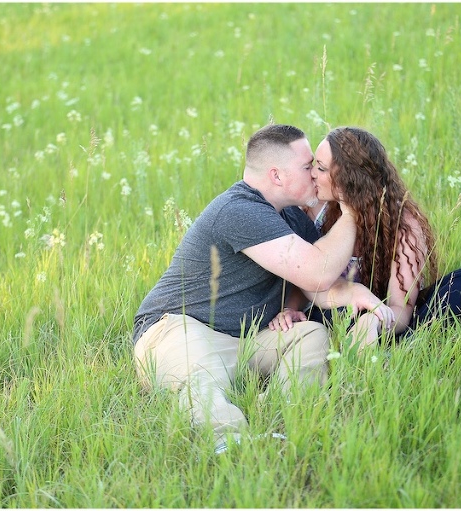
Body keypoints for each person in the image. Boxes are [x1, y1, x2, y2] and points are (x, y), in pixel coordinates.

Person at [131, 124, 393, 454]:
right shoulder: (239, 210)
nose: (314, 173)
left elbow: (315, 287)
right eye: (306, 165)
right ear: (277, 175)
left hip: (245, 340)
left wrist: (353, 294)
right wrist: (353, 210)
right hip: (176, 328)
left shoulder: (293, 219)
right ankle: (228, 441)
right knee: (199, 370)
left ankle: (284, 423)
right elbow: (316, 273)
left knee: (310, 334)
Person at [269, 126, 461, 349]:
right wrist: (290, 308)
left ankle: (397, 347)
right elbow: (305, 276)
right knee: (330, 314)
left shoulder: (402, 224)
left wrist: (374, 319)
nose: (313, 174)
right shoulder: (314, 207)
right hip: (336, 311)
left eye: (321, 168)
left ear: (350, 179)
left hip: (386, 316)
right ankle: (396, 349)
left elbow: (401, 308)